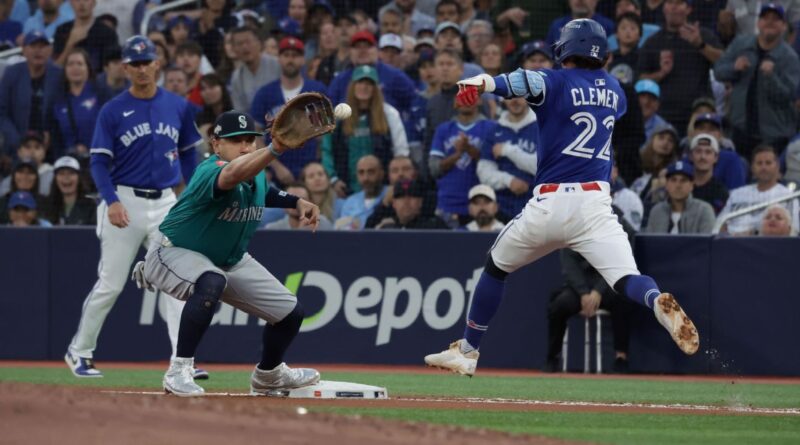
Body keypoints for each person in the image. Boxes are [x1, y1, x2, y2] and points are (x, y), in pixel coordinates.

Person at [424, 19, 699, 377]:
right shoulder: (615, 89)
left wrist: (486, 81)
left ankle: (468, 350)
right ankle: (655, 300)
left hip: (551, 202)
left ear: (567, 48)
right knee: (627, 278)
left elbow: (525, 81)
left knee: (495, 266)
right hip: (596, 206)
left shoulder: (556, 79)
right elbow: (589, 99)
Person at [132, 110, 321, 396]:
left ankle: (268, 375)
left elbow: (263, 191)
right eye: (236, 141)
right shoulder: (210, 169)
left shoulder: (255, 174)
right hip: (173, 251)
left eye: (250, 140)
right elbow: (233, 175)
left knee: (290, 313)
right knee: (211, 281)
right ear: (216, 144)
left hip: (226, 260)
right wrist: (275, 149)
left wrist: (296, 201)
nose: (245, 146)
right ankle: (179, 369)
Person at [64, 36, 205, 379]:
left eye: (147, 62)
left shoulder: (178, 106)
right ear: (125, 68)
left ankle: (181, 361)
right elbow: (98, 163)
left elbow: (189, 153)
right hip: (124, 200)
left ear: (158, 63)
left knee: (177, 283)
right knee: (111, 283)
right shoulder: (113, 110)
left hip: (167, 202)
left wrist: (189, 194)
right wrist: (110, 200)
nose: (142, 69)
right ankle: (79, 351)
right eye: (135, 64)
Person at [543, 210, 636, 373]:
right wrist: (584, 292)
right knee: (559, 304)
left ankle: (621, 357)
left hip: (610, 283)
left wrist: (598, 291)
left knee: (624, 301)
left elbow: (620, 261)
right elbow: (569, 263)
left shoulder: (622, 227)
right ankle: (552, 357)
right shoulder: (572, 224)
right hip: (580, 286)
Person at [713, 3, 800, 158]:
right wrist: (734, 68)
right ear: (758, 23)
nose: (770, 22)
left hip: (773, 136)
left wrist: (771, 76)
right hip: (740, 130)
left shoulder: (790, 58)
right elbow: (719, 71)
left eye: (776, 20)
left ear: (784, 26)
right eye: (765, 18)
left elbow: (789, 96)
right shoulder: (741, 44)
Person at [321, 65, 409, 194]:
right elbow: (326, 150)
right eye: (360, 82)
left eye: (369, 83)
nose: (364, 87)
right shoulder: (338, 115)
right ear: (352, 86)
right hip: (346, 188)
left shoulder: (390, 113)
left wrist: (394, 183)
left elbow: (401, 152)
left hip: (383, 189)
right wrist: (333, 179)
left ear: (376, 88)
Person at [638, 0, 722, 134]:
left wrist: (700, 45)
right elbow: (641, 79)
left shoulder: (703, 35)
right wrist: (661, 73)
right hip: (663, 116)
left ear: (688, 9)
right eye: (670, 3)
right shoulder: (653, 42)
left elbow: (724, 62)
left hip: (698, 114)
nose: (673, 8)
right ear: (664, 8)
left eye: (679, 3)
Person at [251, 37, 328, 183]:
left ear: (303, 59)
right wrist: (275, 167)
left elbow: (324, 135)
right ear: (279, 59)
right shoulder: (265, 93)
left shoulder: (317, 90)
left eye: (295, 55)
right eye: (286, 55)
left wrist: (315, 165)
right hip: (275, 171)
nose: (290, 60)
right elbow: (256, 136)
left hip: (311, 169)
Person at [429, 95, 495, 226]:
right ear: (455, 101)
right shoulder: (443, 129)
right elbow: (434, 169)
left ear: (480, 100)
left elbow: (495, 165)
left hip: (480, 207)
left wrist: (469, 149)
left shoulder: (491, 127)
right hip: (447, 206)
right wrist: (457, 154)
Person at [326, 30, 417, 118]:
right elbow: (329, 111)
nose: (362, 50)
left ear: (376, 50)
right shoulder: (340, 80)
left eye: (367, 46)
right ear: (350, 51)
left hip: (386, 129)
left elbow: (414, 103)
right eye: (357, 47)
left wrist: (406, 127)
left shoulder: (395, 76)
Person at [0, 30, 62, 155]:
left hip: (50, 145)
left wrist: (51, 134)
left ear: (50, 50)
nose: (38, 51)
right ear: (23, 50)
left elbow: (62, 109)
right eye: (33, 46)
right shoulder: (12, 73)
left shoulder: (58, 75)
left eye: (42, 46)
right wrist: (18, 142)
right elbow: (2, 112)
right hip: (16, 144)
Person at [718, 145, 799, 235]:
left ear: (777, 166)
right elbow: (719, 224)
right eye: (759, 163)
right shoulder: (736, 194)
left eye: (768, 163)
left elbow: (794, 231)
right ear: (752, 168)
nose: (763, 167)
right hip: (731, 243)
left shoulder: (788, 196)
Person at [46, 48, 110, 160]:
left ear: (88, 68)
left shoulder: (102, 94)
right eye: (70, 64)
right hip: (68, 163)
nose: (75, 68)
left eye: (80, 64)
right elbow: (55, 137)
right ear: (65, 69)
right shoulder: (57, 100)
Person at [479, 97, 538, 218]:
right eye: (509, 96)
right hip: (501, 208)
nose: (515, 100)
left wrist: (508, 150)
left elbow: (542, 167)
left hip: (536, 205)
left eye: (519, 95)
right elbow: (484, 172)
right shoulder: (494, 131)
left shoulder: (542, 127)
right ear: (503, 100)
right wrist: (509, 181)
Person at [645, 161, 715, 233]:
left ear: (691, 185)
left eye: (683, 180)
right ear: (666, 184)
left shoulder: (703, 210)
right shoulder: (657, 211)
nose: (678, 185)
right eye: (673, 180)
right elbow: (649, 242)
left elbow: (707, 243)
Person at [53, 0, 119, 73]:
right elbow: (55, 69)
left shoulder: (107, 33)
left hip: (97, 82)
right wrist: (70, 44)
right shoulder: (62, 30)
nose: (82, 4)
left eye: (86, 0)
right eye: (77, 1)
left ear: (94, 3)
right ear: (71, 3)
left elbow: (112, 69)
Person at [230, 26, 280, 113]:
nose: (244, 47)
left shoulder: (278, 65)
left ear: (259, 43)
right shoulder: (237, 77)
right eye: (239, 44)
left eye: (248, 42)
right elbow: (241, 113)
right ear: (234, 49)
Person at [334, 154, 388, 230]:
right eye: (361, 172)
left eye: (371, 172)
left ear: (381, 174)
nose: (366, 178)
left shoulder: (391, 195)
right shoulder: (350, 202)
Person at [374, 178, 449, 229]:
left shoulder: (435, 227)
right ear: (394, 204)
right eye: (401, 197)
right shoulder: (387, 228)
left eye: (412, 196)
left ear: (420, 202)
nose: (406, 201)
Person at [42, 155, 95, 225]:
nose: (66, 177)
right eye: (61, 173)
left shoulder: (91, 205)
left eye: (71, 173)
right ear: (55, 179)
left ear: (79, 178)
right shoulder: (46, 206)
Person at [688, 133, 728, 214]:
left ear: (716, 158)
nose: (703, 157)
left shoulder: (721, 192)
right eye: (698, 151)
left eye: (708, 152)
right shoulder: (682, 187)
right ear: (691, 156)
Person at [265, 183, 333, 230]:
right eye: (291, 200)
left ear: (310, 202)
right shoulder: (272, 229)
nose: (297, 204)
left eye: (302, 199)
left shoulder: (323, 224)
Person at [546, 0, 615, 46]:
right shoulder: (556, 25)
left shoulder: (608, 26)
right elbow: (548, 56)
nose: (580, 0)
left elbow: (614, 53)